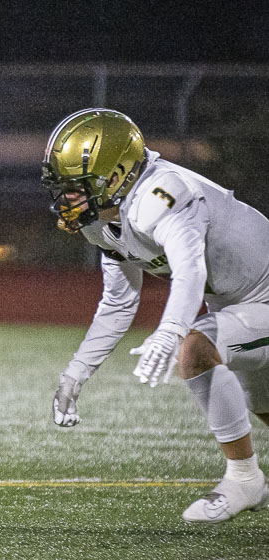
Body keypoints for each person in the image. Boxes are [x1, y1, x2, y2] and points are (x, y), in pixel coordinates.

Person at [41, 108, 269, 524]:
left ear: (117, 174)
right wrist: (76, 371)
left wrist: (170, 332)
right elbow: (118, 302)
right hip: (240, 301)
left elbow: (190, 271)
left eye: (77, 187)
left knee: (196, 349)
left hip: (261, 296)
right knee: (262, 401)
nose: (66, 199)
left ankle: (244, 478)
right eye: (63, 187)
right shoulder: (102, 220)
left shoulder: (160, 194)